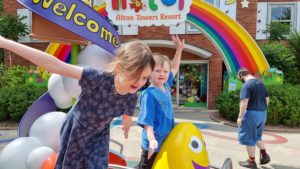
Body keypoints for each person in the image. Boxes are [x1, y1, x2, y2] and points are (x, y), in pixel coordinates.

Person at [0, 35, 155, 169]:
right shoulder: (97, 79)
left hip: (98, 137)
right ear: (120, 68)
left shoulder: (131, 96)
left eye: (145, 77)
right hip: (75, 131)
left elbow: (127, 113)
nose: (140, 82)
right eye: (136, 75)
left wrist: (127, 124)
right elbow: (55, 65)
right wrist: (6, 43)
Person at [137, 35, 184, 169]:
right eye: (157, 70)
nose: (162, 74)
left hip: (166, 139)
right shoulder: (149, 95)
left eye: (165, 71)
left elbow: (174, 67)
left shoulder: (166, 84)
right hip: (153, 143)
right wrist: (152, 140)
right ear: (149, 72)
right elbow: (147, 123)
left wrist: (179, 50)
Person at [237, 68, 271, 168]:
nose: (239, 79)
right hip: (263, 113)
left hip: (251, 114)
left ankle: (251, 162)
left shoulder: (246, 85)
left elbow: (244, 102)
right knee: (257, 136)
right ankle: (264, 155)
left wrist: (240, 116)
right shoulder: (260, 84)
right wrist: (263, 109)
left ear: (241, 75)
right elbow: (267, 98)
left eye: (239, 77)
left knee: (249, 137)